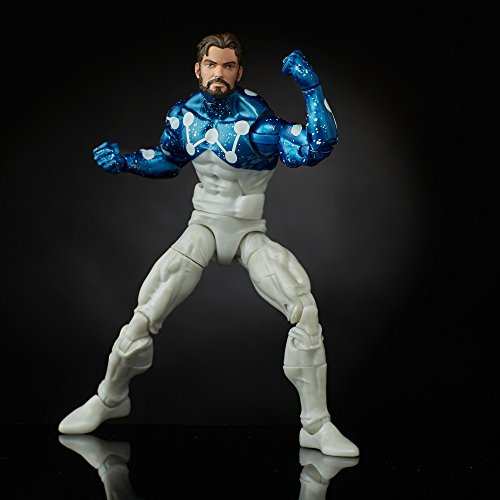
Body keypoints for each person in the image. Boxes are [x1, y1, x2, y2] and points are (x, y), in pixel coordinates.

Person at [59, 32, 359, 458]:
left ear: (239, 71)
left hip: (249, 231)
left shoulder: (260, 124)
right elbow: (168, 160)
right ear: (198, 69)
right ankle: (109, 398)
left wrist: (311, 88)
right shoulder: (184, 116)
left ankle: (316, 424)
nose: (220, 72)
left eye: (228, 65)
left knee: (303, 308)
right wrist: (125, 161)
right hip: (203, 226)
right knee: (147, 312)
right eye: (212, 64)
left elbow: (317, 145)